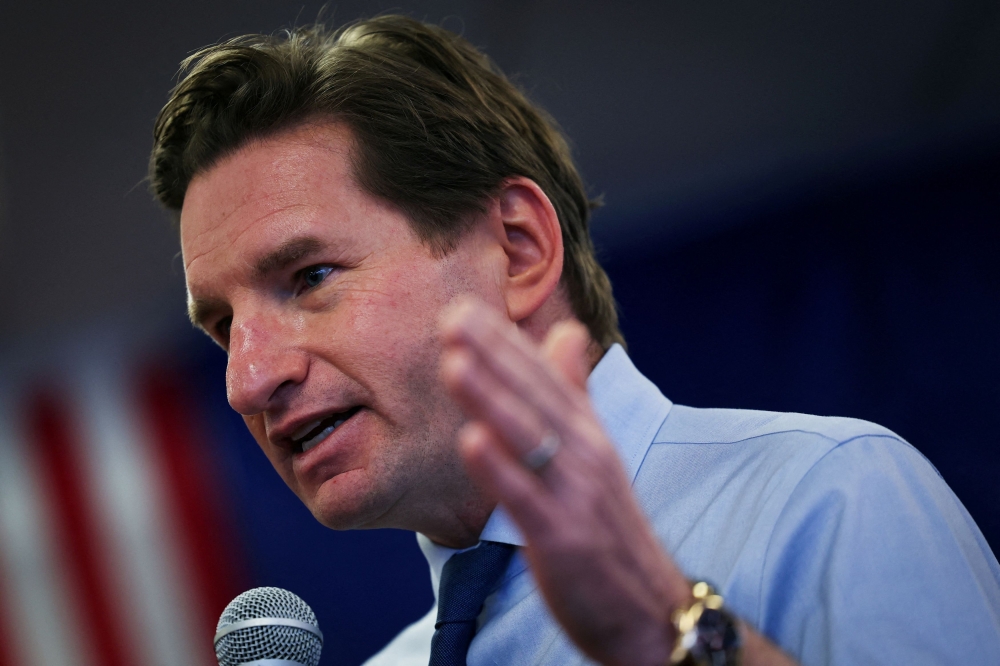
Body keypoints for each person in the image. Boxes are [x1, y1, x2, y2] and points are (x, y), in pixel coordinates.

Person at [149, 15, 1000, 666]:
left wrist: (664, 634)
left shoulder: (826, 496)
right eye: (222, 328)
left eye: (309, 277)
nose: (247, 380)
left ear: (517, 249)